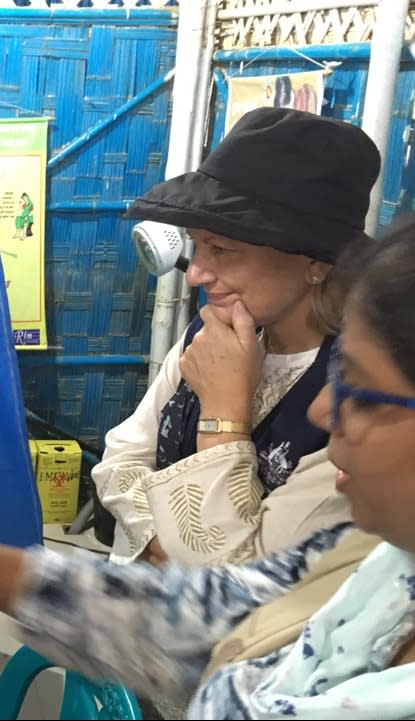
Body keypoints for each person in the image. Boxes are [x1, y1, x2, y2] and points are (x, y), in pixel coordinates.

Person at [0, 202, 415, 719]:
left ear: (313, 266)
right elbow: (190, 586)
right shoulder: (384, 560)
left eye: (363, 390)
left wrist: (222, 421)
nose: (326, 410)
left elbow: (207, 569)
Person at [92, 107, 380, 567]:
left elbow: (243, 574)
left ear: (317, 263)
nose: (196, 274)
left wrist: (224, 416)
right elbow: (124, 454)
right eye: (198, 245)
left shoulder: (354, 396)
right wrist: (155, 541)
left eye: (223, 249)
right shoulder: (211, 334)